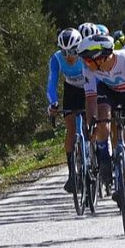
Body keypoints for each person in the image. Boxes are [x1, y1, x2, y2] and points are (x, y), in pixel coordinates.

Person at [80, 33, 125, 222]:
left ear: (103, 57)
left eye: (89, 59)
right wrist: (91, 124)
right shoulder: (89, 67)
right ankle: (105, 161)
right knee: (102, 123)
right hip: (108, 93)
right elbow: (90, 100)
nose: (86, 63)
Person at [46, 29, 88, 194]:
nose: (68, 56)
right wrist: (53, 102)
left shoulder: (85, 55)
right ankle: (72, 174)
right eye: (64, 51)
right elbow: (51, 83)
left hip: (88, 88)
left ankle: (96, 153)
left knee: (91, 123)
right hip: (71, 90)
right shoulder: (56, 59)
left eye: (72, 51)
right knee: (71, 130)